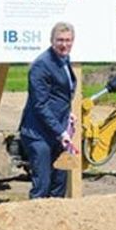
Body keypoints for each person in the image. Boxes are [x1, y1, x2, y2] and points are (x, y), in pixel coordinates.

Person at [20, 22, 76, 199]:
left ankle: (56, 217)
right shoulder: (41, 65)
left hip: (57, 133)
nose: (64, 44)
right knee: (42, 186)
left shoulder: (64, 60)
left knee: (59, 184)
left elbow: (59, 95)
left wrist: (67, 115)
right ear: (52, 41)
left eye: (68, 40)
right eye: (60, 40)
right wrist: (61, 131)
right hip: (39, 134)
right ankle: (34, 216)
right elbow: (40, 104)